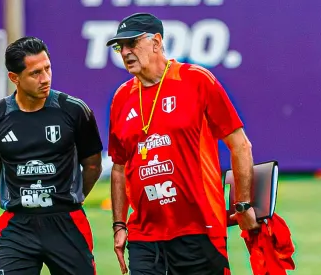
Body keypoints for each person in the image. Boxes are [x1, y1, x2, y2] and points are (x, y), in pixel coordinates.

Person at [106, 13, 260, 275]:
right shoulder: (122, 97)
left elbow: (240, 145)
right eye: (121, 47)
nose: (126, 52)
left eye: (133, 43)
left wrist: (242, 204)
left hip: (199, 230)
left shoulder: (196, 80)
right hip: (145, 236)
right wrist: (119, 225)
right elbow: (119, 167)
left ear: (156, 42)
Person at [0, 36, 103, 275]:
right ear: (15, 78)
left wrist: (69, 197)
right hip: (18, 227)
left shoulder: (75, 111)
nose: (45, 79)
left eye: (47, 68)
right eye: (35, 73)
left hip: (67, 223)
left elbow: (93, 166)